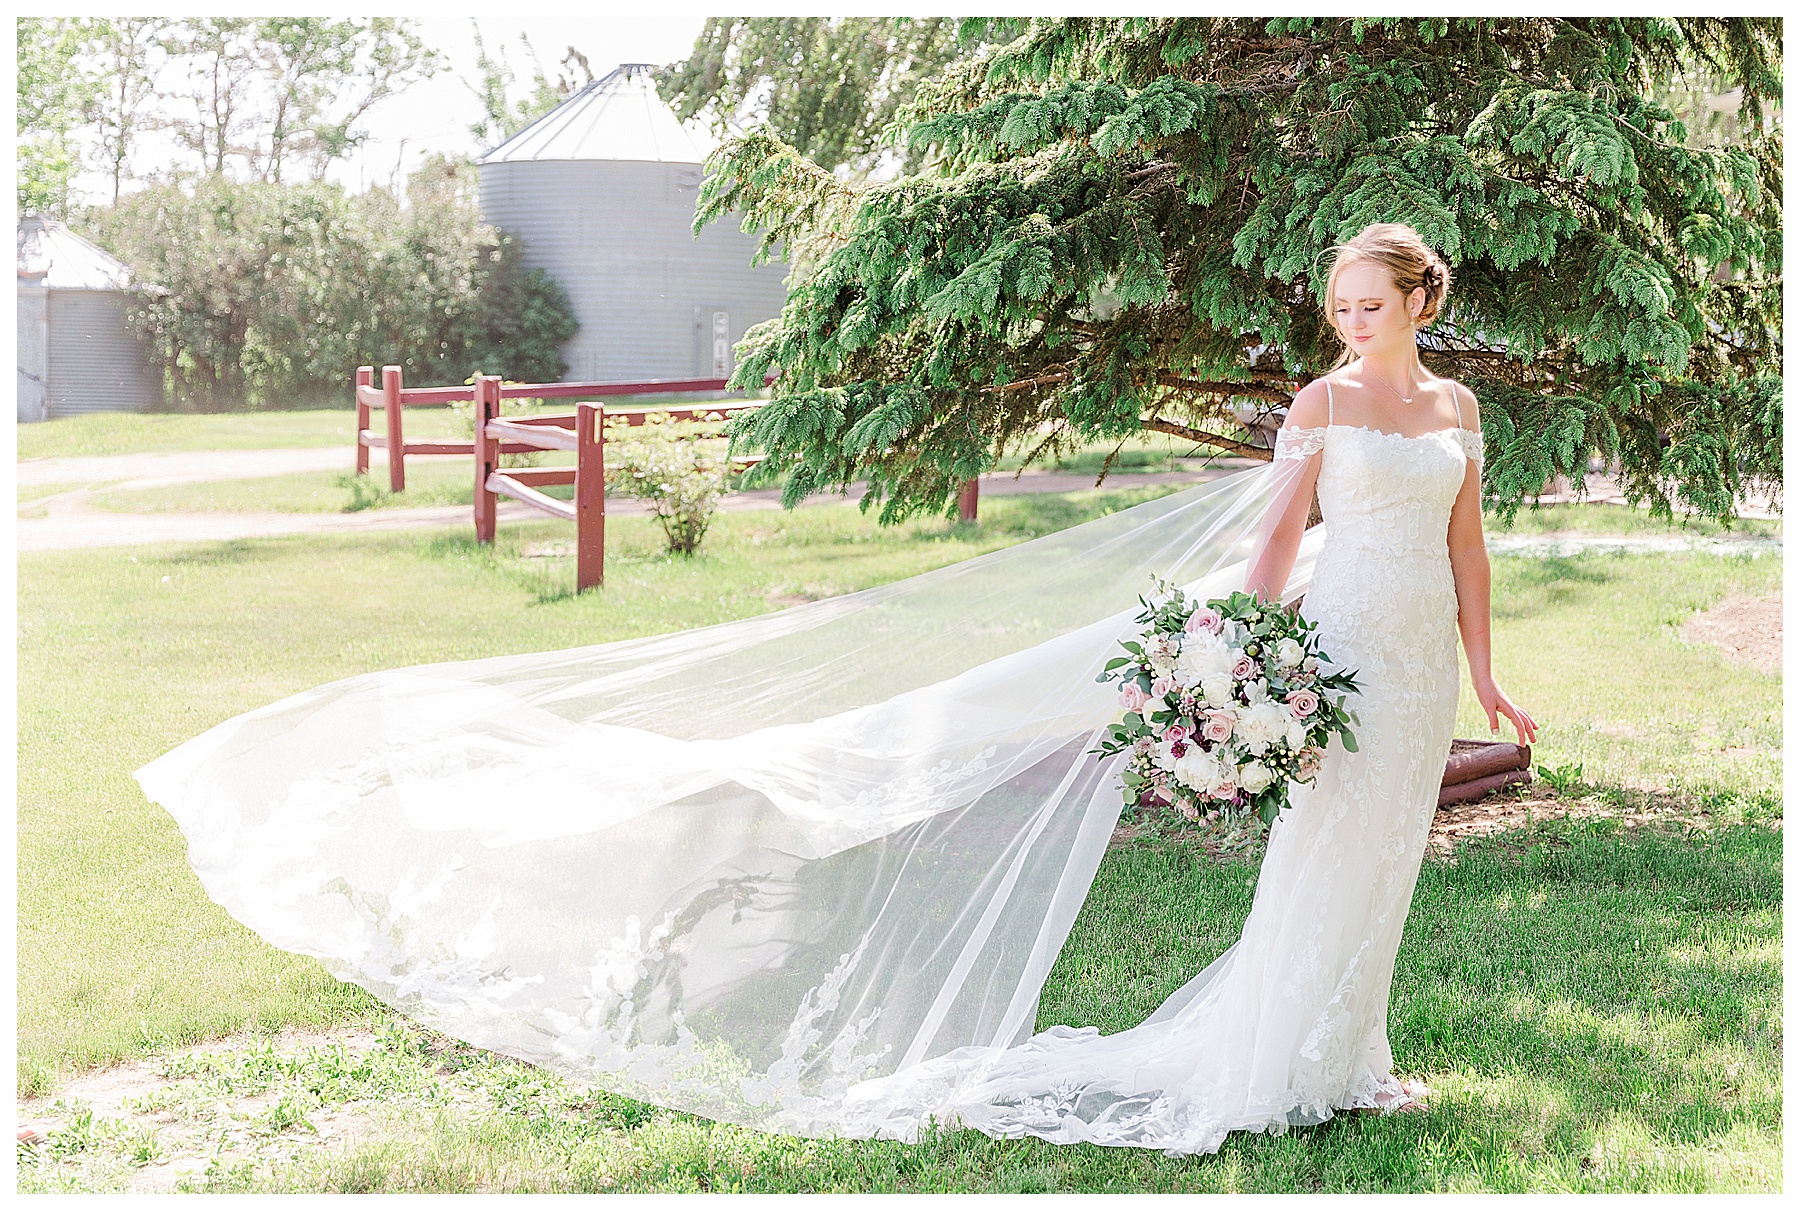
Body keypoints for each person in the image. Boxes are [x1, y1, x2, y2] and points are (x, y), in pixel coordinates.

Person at [136, 221, 1534, 1158]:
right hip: (1333, 655)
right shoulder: (1324, 406)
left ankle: (1348, 1053)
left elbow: (1466, 542)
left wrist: (1486, 673)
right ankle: (1268, 1068)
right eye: (1339, 307)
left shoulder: (1455, 412)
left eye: (1374, 305)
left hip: (1414, 664)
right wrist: (1233, 657)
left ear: (1424, 302)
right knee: (1321, 852)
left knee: (1383, 862)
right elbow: (1277, 549)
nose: (1353, 325)